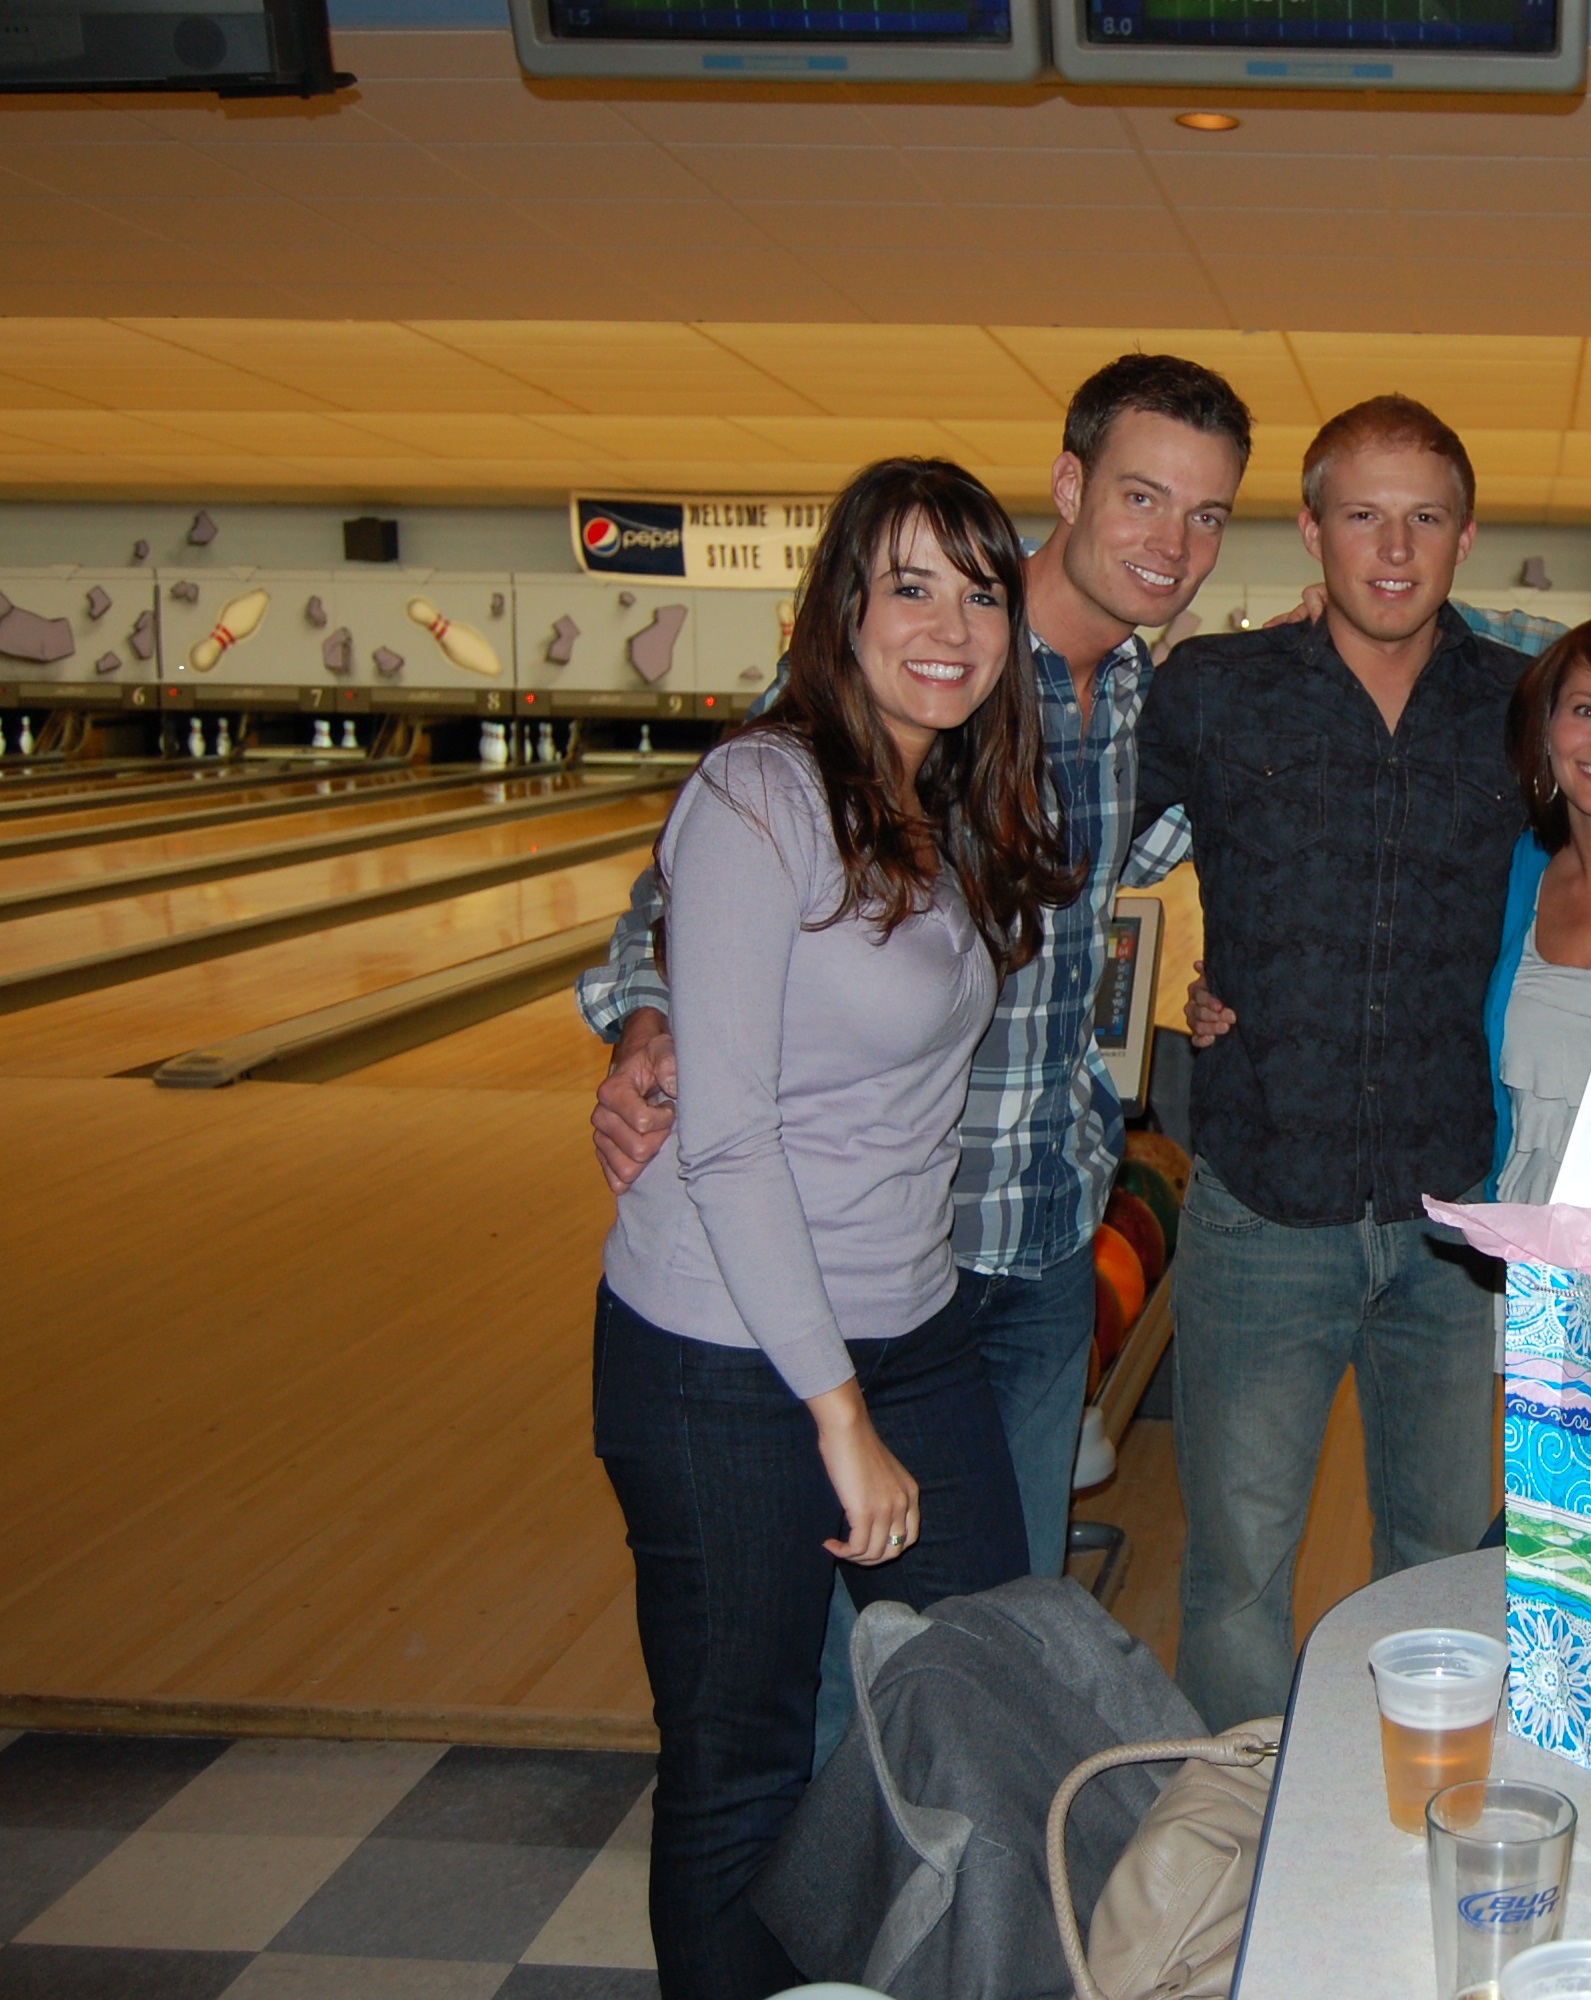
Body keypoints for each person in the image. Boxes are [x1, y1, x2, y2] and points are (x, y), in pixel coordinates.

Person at [584, 353, 1253, 1590]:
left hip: (1047, 1219)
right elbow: (694, 875)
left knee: (993, 1626)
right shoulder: (920, 669)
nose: (1172, 543)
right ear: (1068, 485)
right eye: (1142, 496)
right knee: (845, 1642)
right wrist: (646, 1014)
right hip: (886, 1244)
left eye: (1205, 513)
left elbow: (1123, 876)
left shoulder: (1137, 701)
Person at [594, 458, 1066, 2000]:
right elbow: (727, 1137)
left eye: (979, 594)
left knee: (985, 1689)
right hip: (724, 1351)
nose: (949, 628)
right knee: (735, 1759)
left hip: (910, 1319)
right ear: (842, 609)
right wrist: (839, 1417)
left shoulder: (950, 800)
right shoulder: (760, 794)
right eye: (909, 587)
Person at [1134, 394, 1536, 1731]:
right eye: (1363, 514)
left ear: (1466, 536)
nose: (1394, 548)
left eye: (1426, 518)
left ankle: (1412, 1814)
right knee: (1238, 1573)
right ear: (1311, 529)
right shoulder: (1214, 690)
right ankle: (1236, 1826)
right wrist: (1158, 1000)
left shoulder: (1522, 706)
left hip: (1452, 1226)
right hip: (1262, 1206)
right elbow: (1065, 863)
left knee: (1441, 1565)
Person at [1186, 612, 1591, 1480]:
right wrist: (1230, 993)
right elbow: (1387, 957)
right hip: (1539, 1258)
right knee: (1563, 1528)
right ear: (1546, 726)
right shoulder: (1517, 869)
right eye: (1587, 709)